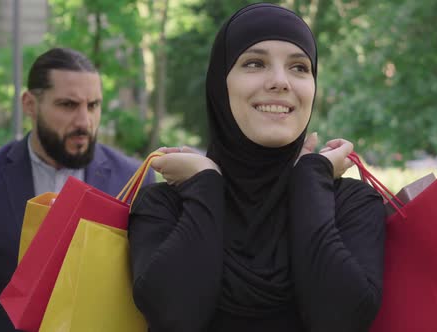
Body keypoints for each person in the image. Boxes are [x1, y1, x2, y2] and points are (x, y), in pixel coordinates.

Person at [128, 3, 386, 332]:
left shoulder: (351, 203)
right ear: (220, 85)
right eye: (254, 63)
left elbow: (340, 318)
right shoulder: (164, 206)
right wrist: (206, 183)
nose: (280, 81)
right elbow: (175, 315)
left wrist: (310, 179)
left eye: (299, 68)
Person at [0, 47, 154, 332]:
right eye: (68, 105)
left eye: (93, 106)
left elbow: (154, 297)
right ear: (30, 104)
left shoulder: (134, 180)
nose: (84, 122)